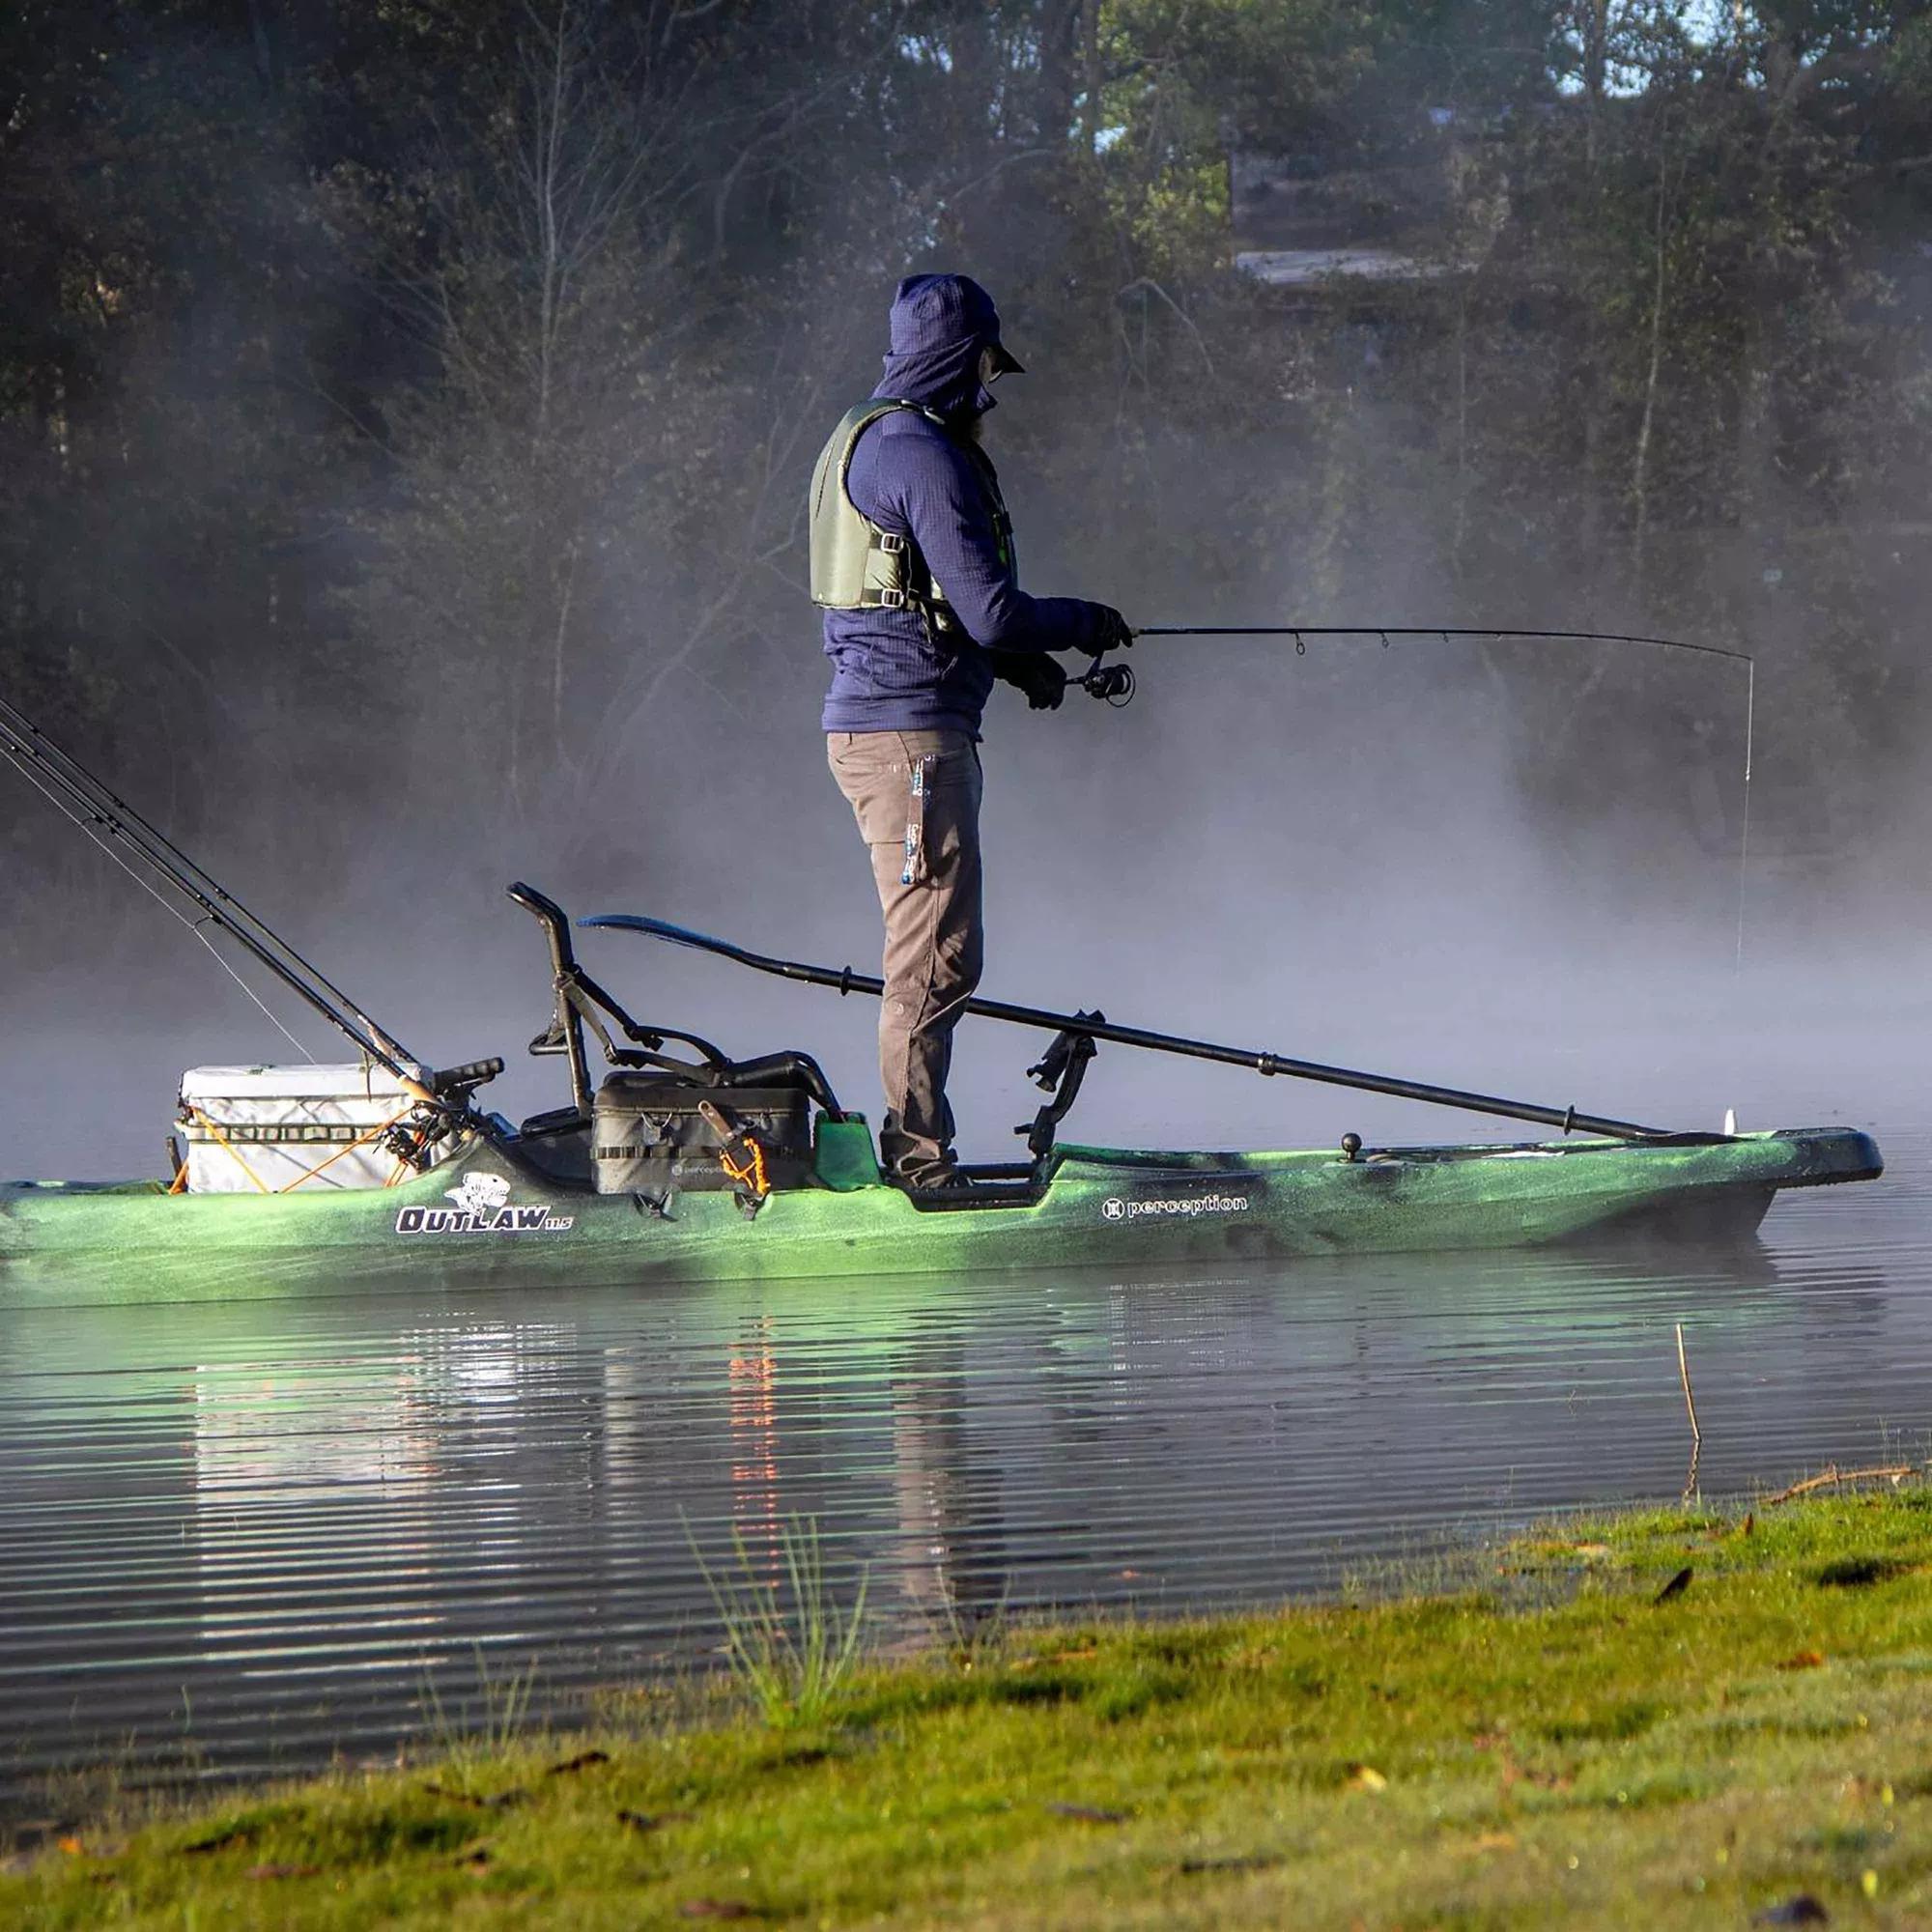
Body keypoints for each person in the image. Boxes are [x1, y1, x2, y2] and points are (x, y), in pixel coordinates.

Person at [809, 272, 1130, 1192]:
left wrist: (1020, 666)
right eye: (987, 362)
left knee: (933, 949)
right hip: (909, 743)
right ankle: (917, 1166)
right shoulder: (925, 453)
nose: (992, 388)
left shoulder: (862, 438)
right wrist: (1078, 621)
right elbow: (989, 609)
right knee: (934, 956)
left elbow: (918, 602)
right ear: (960, 359)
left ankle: (917, 1153)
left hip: (885, 728)